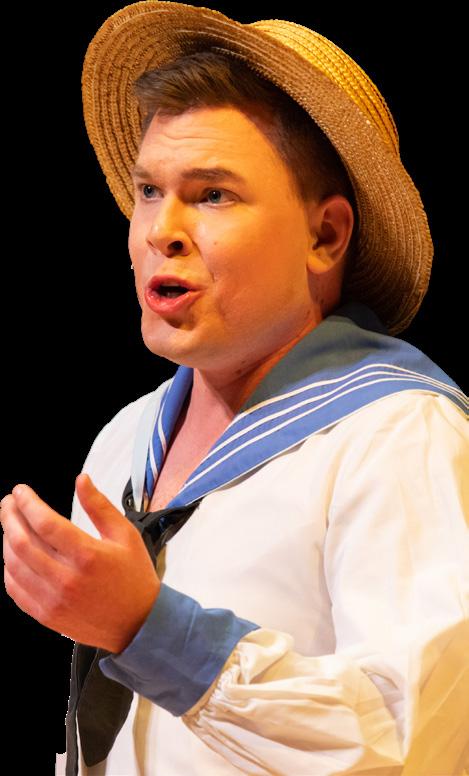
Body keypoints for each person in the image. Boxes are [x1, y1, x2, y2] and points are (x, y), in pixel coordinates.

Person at [1, 3, 467, 775]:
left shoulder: (398, 438)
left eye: (212, 194)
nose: (160, 231)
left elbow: (409, 742)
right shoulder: (125, 440)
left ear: (325, 235)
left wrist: (151, 632)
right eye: (149, 190)